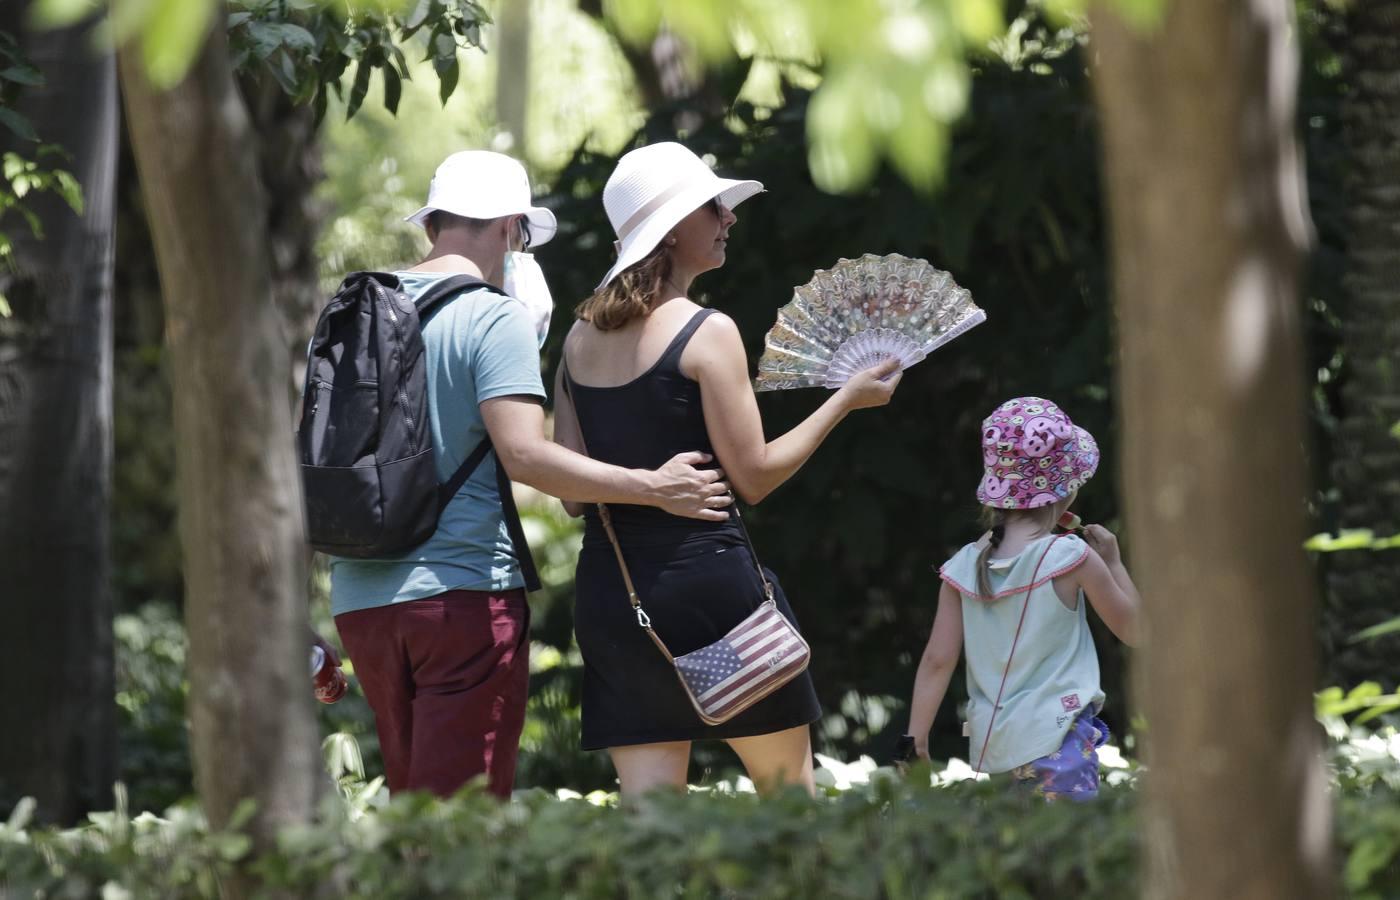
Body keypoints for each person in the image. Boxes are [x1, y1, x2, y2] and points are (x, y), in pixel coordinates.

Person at [329, 150, 733, 799]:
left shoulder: (356, 308)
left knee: (411, 811)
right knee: (463, 825)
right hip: (461, 598)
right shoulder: (492, 314)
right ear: (511, 227)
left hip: (362, 602)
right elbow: (527, 456)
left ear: (433, 225)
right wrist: (653, 487)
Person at [552, 141, 902, 798]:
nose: (729, 218)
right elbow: (756, 477)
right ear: (675, 227)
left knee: (653, 831)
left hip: (615, 594)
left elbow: (572, 496)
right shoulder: (706, 330)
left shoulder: (576, 341)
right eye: (714, 205)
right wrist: (845, 401)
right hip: (712, 593)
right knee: (789, 808)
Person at [900, 397, 1140, 801]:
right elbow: (1136, 631)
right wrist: (1114, 563)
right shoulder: (1071, 557)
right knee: (1065, 856)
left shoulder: (962, 566)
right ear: (1067, 489)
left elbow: (937, 661)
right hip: (1061, 742)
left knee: (1018, 855)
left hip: (994, 749)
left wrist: (915, 740)